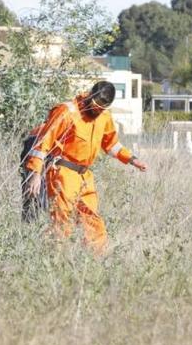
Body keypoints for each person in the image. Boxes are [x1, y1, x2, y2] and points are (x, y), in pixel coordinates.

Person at [24, 81, 148, 251]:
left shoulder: (104, 117)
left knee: (93, 222)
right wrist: (35, 174)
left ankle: (94, 263)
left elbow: (111, 145)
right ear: (89, 94)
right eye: (94, 105)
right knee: (62, 221)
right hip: (63, 173)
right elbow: (44, 143)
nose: (96, 110)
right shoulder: (67, 111)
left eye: (101, 108)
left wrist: (132, 159)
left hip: (85, 176)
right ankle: (52, 259)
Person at [20, 122, 50, 223]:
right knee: (40, 208)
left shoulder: (38, 129)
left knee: (30, 207)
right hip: (39, 172)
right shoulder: (50, 129)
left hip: (32, 170)